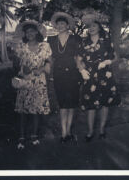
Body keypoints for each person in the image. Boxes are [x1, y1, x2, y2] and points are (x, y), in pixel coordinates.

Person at [76, 14, 121, 142]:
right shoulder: (84, 41)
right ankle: (90, 131)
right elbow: (78, 59)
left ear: (99, 27)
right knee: (91, 105)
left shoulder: (106, 39)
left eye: (94, 25)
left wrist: (107, 62)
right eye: (89, 26)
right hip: (89, 76)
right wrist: (81, 70)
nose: (91, 28)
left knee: (105, 103)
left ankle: (101, 129)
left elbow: (115, 57)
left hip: (105, 75)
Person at [12, 20, 52, 149]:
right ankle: (22, 137)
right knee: (23, 110)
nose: (30, 33)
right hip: (25, 80)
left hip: (39, 80)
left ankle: (34, 136)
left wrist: (40, 69)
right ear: (25, 34)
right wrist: (22, 71)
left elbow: (50, 62)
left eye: (32, 31)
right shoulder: (21, 46)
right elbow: (16, 63)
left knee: (35, 109)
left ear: (37, 32)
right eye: (27, 31)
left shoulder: (45, 46)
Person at [48, 12, 82, 143]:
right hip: (59, 74)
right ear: (56, 26)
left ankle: (68, 131)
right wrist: (50, 73)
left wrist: (82, 70)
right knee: (62, 104)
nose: (61, 25)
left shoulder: (76, 38)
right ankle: (63, 133)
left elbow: (79, 57)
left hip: (74, 74)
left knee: (72, 104)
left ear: (68, 25)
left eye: (63, 23)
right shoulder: (51, 40)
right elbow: (50, 59)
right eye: (59, 24)